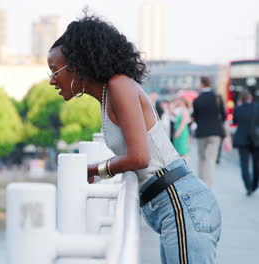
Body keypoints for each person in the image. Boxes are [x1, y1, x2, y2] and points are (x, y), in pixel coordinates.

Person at [47, 13, 221, 263]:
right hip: (175, 207)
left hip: (182, 206)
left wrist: (95, 170)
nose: (52, 80)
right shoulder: (110, 93)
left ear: (77, 65)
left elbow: (139, 157)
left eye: (55, 71)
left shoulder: (119, 85)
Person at [192, 76, 226, 187]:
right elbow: (224, 115)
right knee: (211, 160)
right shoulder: (217, 97)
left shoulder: (197, 100)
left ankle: (200, 183)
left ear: (202, 84)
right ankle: (208, 184)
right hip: (215, 133)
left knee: (201, 158)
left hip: (201, 132)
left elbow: (195, 117)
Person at [232, 90, 259, 195]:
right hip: (256, 139)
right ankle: (254, 185)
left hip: (242, 139)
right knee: (256, 164)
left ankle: (248, 186)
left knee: (244, 164)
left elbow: (235, 122)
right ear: (250, 98)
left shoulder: (237, 109)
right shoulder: (256, 107)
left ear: (241, 100)